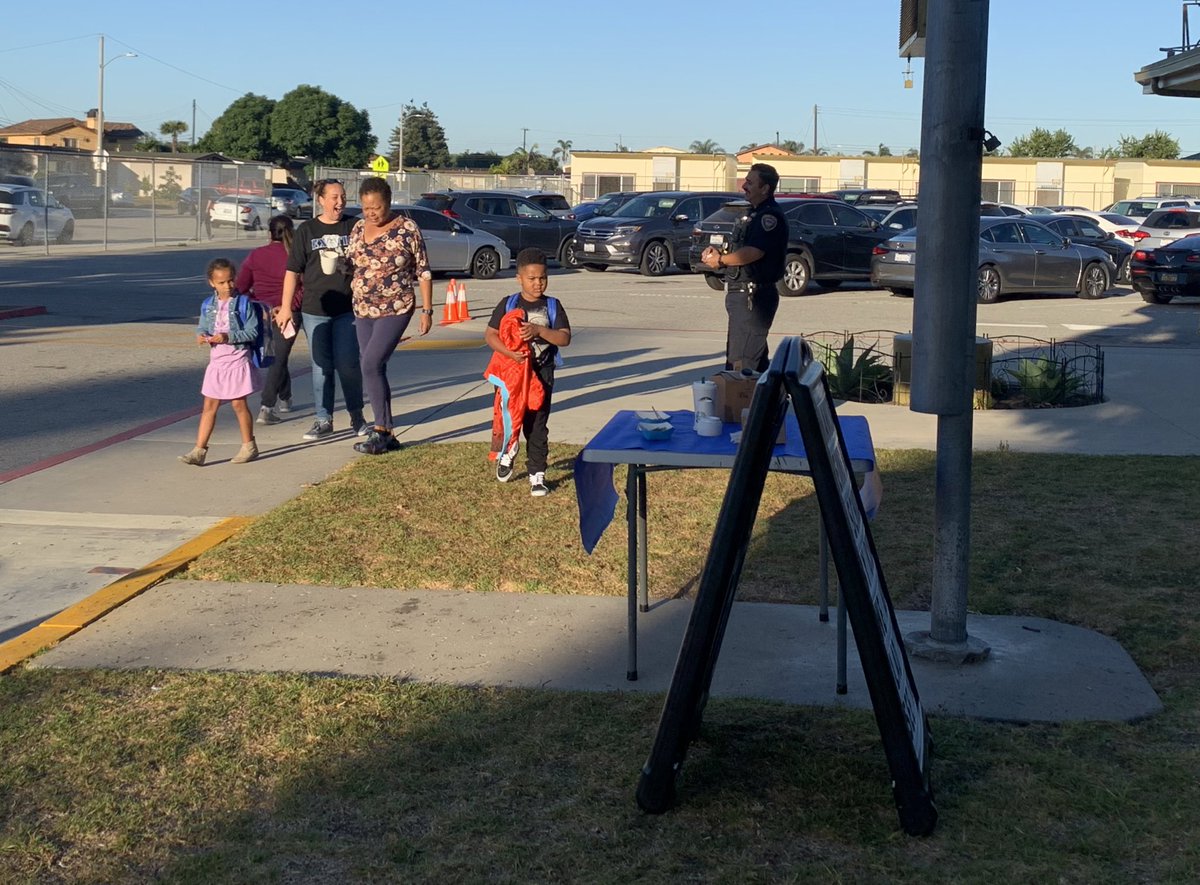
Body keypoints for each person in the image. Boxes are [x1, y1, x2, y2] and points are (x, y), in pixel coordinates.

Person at [345, 176, 434, 455]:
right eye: (367, 207)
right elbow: (352, 263)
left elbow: (423, 270)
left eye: (377, 207)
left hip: (396, 307)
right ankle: (389, 433)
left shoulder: (407, 228)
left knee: (371, 363)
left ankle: (380, 430)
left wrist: (427, 310)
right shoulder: (359, 228)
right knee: (371, 365)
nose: (372, 213)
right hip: (363, 309)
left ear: (389, 202)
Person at [277, 179, 367, 441]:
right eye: (334, 197)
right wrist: (285, 308)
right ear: (321, 199)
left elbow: (367, 262)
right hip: (314, 309)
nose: (340, 202)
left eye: (343, 197)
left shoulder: (354, 226)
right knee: (321, 367)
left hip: (347, 308)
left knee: (348, 364)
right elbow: (292, 271)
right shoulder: (307, 230)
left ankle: (357, 416)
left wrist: (348, 268)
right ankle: (323, 419)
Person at [485, 247, 571, 497]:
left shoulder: (552, 306)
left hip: (541, 373)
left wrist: (539, 331)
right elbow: (490, 334)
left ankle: (537, 474)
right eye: (532, 278)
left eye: (542, 278)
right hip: (511, 374)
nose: (538, 283)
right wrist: (510, 353)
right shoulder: (508, 303)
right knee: (507, 418)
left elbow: (564, 338)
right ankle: (506, 453)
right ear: (519, 278)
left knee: (537, 425)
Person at [701, 162, 788, 373]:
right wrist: (716, 253)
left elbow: (754, 252)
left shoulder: (769, 217)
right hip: (742, 294)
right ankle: (768, 403)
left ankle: (742, 405)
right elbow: (741, 247)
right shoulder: (754, 214)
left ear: (765, 188)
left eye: (750, 182)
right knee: (752, 359)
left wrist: (721, 261)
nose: (744, 187)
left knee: (742, 364)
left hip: (753, 297)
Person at [178, 257, 261, 466]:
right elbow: (203, 326)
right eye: (222, 282)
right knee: (209, 405)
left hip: (237, 358)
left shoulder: (243, 303)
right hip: (217, 360)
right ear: (212, 283)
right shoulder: (208, 305)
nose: (228, 286)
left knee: (238, 403)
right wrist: (201, 335)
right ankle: (199, 450)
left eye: (231, 281)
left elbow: (252, 331)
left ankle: (248, 445)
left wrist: (228, 337)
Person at [237, 215, 301, 425]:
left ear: (269, 233)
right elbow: (304, 288)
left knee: (277, 356)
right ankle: (268, 405)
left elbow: (240, 288)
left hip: (263, 314)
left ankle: (284, 397)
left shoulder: (256, 256)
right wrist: (287, 306)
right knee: (279, 356)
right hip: (289, 313)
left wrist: (258, 304)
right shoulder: (296, 255)